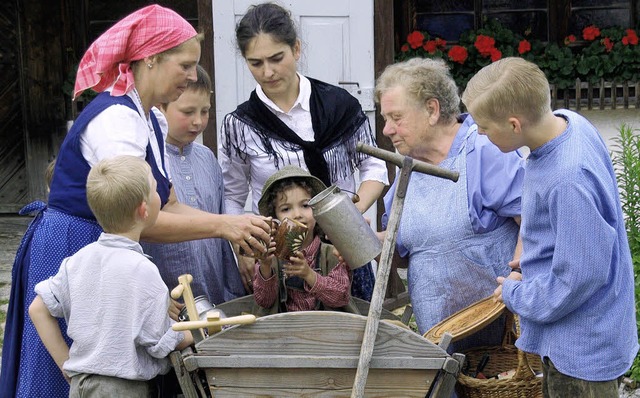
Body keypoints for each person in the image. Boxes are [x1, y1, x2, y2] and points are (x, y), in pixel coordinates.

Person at [0, 5, 271, 398]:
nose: (193, 76)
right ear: (150, 59)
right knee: (73, 376)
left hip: (107, 248)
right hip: (74, 246)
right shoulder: (117, 121)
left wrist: (232, 225)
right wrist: (223, 225)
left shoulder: (147, 117)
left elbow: (167, 204)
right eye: (185, 65)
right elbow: (138, 214)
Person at [463, 57, 638, 397]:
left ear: (515, 125)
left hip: (582, 350)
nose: (479, 133)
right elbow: (571, 233)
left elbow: (579, 278)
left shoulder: (568, 177)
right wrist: (533, 259)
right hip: (580, 335)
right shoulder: (569, 122)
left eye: (483, 126)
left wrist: (516, 295)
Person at [220, 2, 388, 300]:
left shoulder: (339, 105)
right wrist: (244, 248)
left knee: (352, 335)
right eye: (255, 63)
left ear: (296, 49)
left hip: (342, 248)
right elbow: (232, 196)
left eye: (276, 58)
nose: (268, 72)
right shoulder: (240, 124)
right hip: (282, 260)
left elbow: (374, 167)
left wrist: (349, 214)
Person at [374, 57, 525, 350]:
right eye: (385, 119)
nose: (387, 130)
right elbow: (402, 250)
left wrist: (518, 278)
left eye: (396, 117)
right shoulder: (406, 172)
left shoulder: (483, 150)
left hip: (501, 335)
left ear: (432, 110)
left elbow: (532, 220)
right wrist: (355, 238)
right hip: (440, 340)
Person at [28, 155, 193, 397]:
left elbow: (37, 309)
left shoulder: (77, 260)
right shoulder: (143, 270)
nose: (162, 195)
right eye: (156, 189)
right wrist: (197, 333)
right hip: (121, 389)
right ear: (143, 209)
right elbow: (162, 342)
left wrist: (66, 364)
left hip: (81, 386)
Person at [142, 65, 244, 304]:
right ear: (160, 108)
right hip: (167, 297)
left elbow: (221, 235)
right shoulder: (147, 160)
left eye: (205, 111)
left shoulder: (207, 158)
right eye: (187, 112)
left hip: (215, 290)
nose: (198, 121)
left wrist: (232, 290)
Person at [252, 166, 357, 314]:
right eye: (286, 209)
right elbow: (264, 301)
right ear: (275, 216)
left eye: (305, 205)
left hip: (327, 331)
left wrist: (309, 275)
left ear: (317, 209)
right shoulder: (271, 256)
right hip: (282, 332)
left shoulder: (333, 254)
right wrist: (265, 266)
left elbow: (341, 297)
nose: (297, 214)